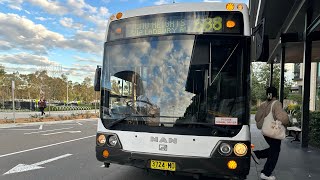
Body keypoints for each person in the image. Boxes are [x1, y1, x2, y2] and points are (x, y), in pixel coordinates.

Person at [252, 86, 289, 180]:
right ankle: (265, 173)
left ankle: (257, 154)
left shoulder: (263, 104)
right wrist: (287, 120)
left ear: (267, 94)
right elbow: (282, 118)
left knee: (273, 150)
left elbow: (257, 118)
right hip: (274, 132)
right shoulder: (276, 103)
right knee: (275, 153)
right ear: (275, 94)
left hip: (266, 132)